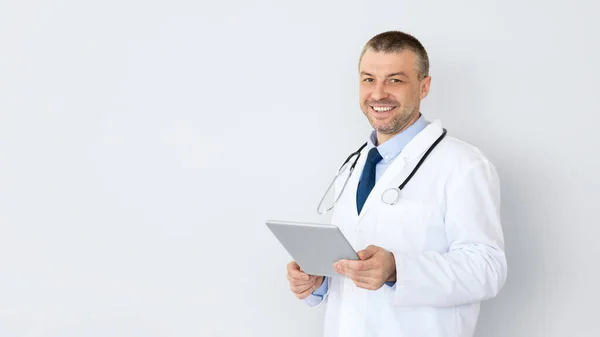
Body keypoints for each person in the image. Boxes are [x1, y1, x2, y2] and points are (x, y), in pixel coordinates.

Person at [286, 31, 507, 337]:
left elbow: (487, 270)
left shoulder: (464, 165)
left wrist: (396, 269)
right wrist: (319, 283)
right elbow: (355, 266)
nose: (378, 94)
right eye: (368, 79)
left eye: (395, 80)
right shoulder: (355, 164)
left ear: (424, 86)